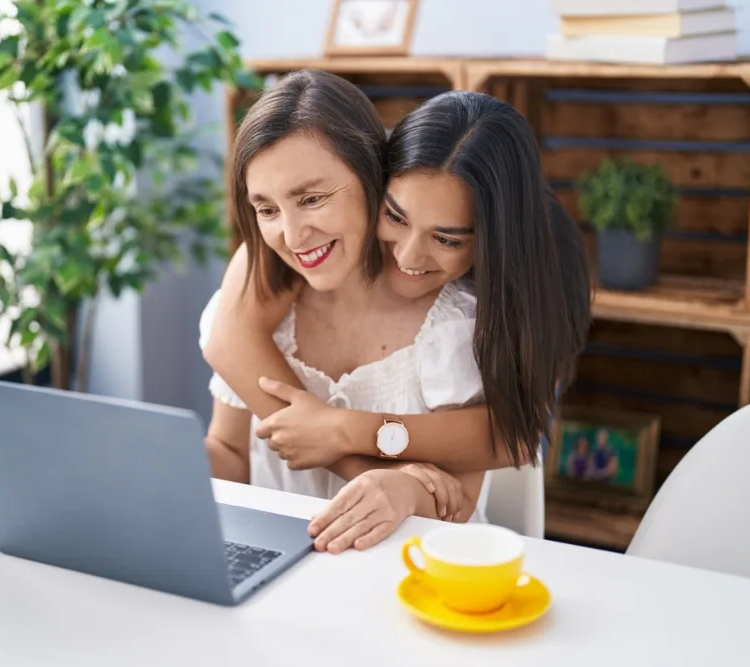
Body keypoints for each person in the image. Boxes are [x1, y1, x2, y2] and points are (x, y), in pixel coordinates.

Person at [203, 70, 592, 553]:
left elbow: (476, 478)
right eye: (267, 209)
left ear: (369, 174)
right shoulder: (267, 282)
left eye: (312, 199)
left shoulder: (457, 327)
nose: (292, 233)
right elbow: (231, 449)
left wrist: (355, 445)